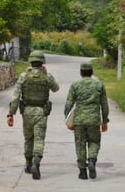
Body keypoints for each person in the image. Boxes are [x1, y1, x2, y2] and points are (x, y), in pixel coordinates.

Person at [7, 50, 59, 180]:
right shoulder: (46, 76)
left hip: (27, 112)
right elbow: (56, 88)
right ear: (42, 63)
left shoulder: (24, 76)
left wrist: (10, 114)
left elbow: (15, 96)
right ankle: (36, 163)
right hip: (41, 112)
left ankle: (28, 164)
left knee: (28, 139)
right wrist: (46, 73)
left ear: (30, 61)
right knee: (39, 139)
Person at [64, 62, 109, 180]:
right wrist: (105, 121)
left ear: (80, 73)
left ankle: (82, 172)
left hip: (79, 120)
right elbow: (104, 105)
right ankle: (92, 161)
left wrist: (67, 121)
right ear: (92, 73)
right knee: (94, 142)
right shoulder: (99, 85)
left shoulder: (75, 85)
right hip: (94, 120)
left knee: (80, 145)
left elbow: (68, 104)